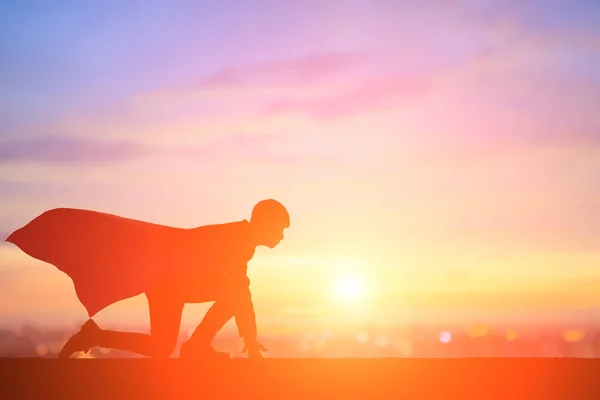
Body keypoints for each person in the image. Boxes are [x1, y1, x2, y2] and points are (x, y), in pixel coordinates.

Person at [6, 199, 290, 359]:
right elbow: (238, 289)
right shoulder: (237, 239)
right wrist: (250, 339)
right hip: (169, 283)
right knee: (236, 287)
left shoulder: (243, 242)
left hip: (171, 285)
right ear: (265, 223)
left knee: (162, 348)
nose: (281, 236)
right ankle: (196, 347)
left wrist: (250, 336)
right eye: (279, 229)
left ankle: (94, 336)